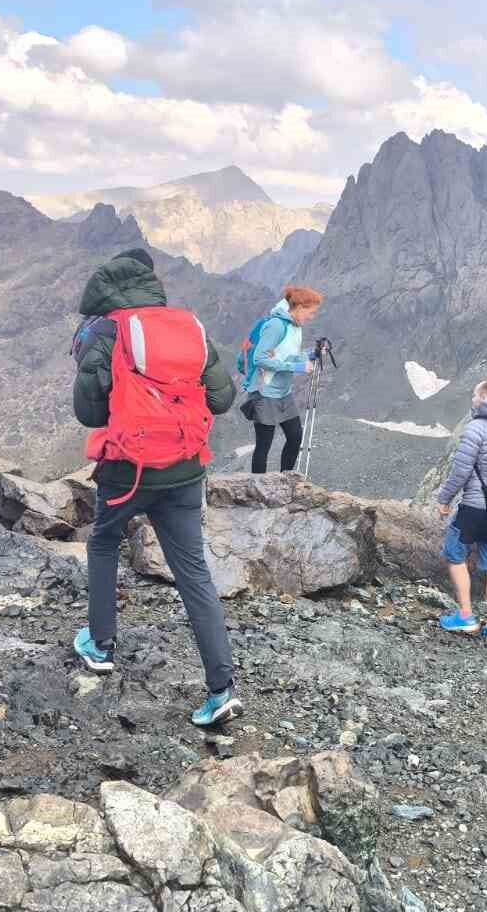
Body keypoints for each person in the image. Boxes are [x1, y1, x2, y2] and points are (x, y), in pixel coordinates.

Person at [72, 248, 241, 727]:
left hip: (129, 471)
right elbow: (223, 398)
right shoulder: (187, 327)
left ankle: (100, 645)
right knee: (194, 573)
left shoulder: (104, 332)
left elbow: (89, 414)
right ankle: (221, 689)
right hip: (186, 468)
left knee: (104, 542)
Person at [434, 381, 487, 645]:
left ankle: (466, 615)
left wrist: (444, 498)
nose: (472, 399)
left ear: (483, 399)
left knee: (454, 553)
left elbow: (461, 471)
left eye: (474, 395)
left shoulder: (476, 428)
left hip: (474, 506)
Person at [242, 286, 324, 474]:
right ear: (300, 307)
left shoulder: (295, 326)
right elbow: (260, 358)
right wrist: (297, 367)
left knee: (295, 437)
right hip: (265, 391)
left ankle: (284, 482)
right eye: (311, 312)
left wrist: (310, 355)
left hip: (282, 392)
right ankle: (257, 489)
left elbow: (287, 355)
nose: (312, 317)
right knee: (264, 445)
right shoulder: (276, 325)